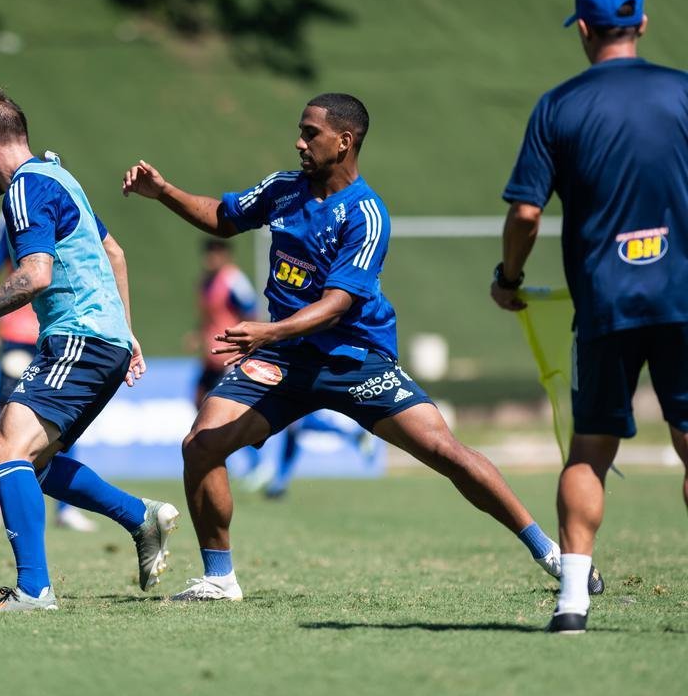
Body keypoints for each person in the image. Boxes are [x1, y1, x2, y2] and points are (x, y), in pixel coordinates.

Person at [121, 92, 569, 603]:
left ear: (344, 141)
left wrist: (268, 332)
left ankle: (547, 550)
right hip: (286, 358)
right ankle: (220, 579)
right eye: (301, 130)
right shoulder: (284, 189)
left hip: (354, 359)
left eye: (310, 133)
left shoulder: (366, 214)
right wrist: (165, 192)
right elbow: (224, 217)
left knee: (447, 453)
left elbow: (337, 304)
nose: (299, 142)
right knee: (201, 446)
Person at [493, 0, 682, 634]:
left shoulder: (559, 106)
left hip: (605, 303)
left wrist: (507, 276)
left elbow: (525, 213)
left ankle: (571, 602)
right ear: (643, 25)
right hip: (684, 298)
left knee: (590, 449)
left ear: (582, 28)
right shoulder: (683, 92)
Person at [0, 89, 177, 611]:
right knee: (35, 464)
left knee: (5, 449)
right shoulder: (61, 175)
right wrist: (127, 330)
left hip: (79, 336)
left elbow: (35, 274)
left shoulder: (23, 189)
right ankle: (140, 516)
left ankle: (33, 590)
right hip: (104, 339)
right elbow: (113, 251)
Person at [0, 214, 99, 533]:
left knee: (67, 420)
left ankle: (66, 509)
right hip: (17, 334)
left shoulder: (76, 216)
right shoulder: (14, 216)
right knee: (5, 416)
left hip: (61, 333)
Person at [193, 238, 266, 488]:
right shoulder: (205, 282)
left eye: (214, 253)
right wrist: (197, 334)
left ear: (224, 255)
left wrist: (246, 343)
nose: (210, 258)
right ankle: (220, 455)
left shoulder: (234, 280)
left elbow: (251, 311)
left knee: (228, 410)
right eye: (207, 253)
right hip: (211, 356)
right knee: (199, 400)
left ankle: (257, 463)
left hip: (229, 355)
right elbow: (208, 316)